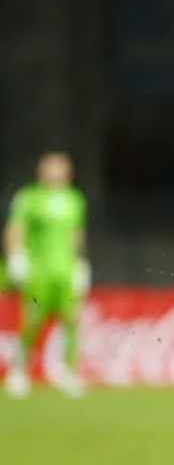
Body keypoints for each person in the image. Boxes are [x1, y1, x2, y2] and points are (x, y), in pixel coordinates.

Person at [3, 152, 90, 398]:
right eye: (52, 168)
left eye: (61, 168)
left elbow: (76, 234)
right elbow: (15, 228)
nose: (57, 173)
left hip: (65, 270)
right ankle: (18, 370)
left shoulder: (75, 199)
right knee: (32, 321)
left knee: (72, 320)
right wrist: (16, 257)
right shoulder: (29, 197)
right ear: (42, 171)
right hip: (38, 270)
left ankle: (69, 372)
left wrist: (81, 263)